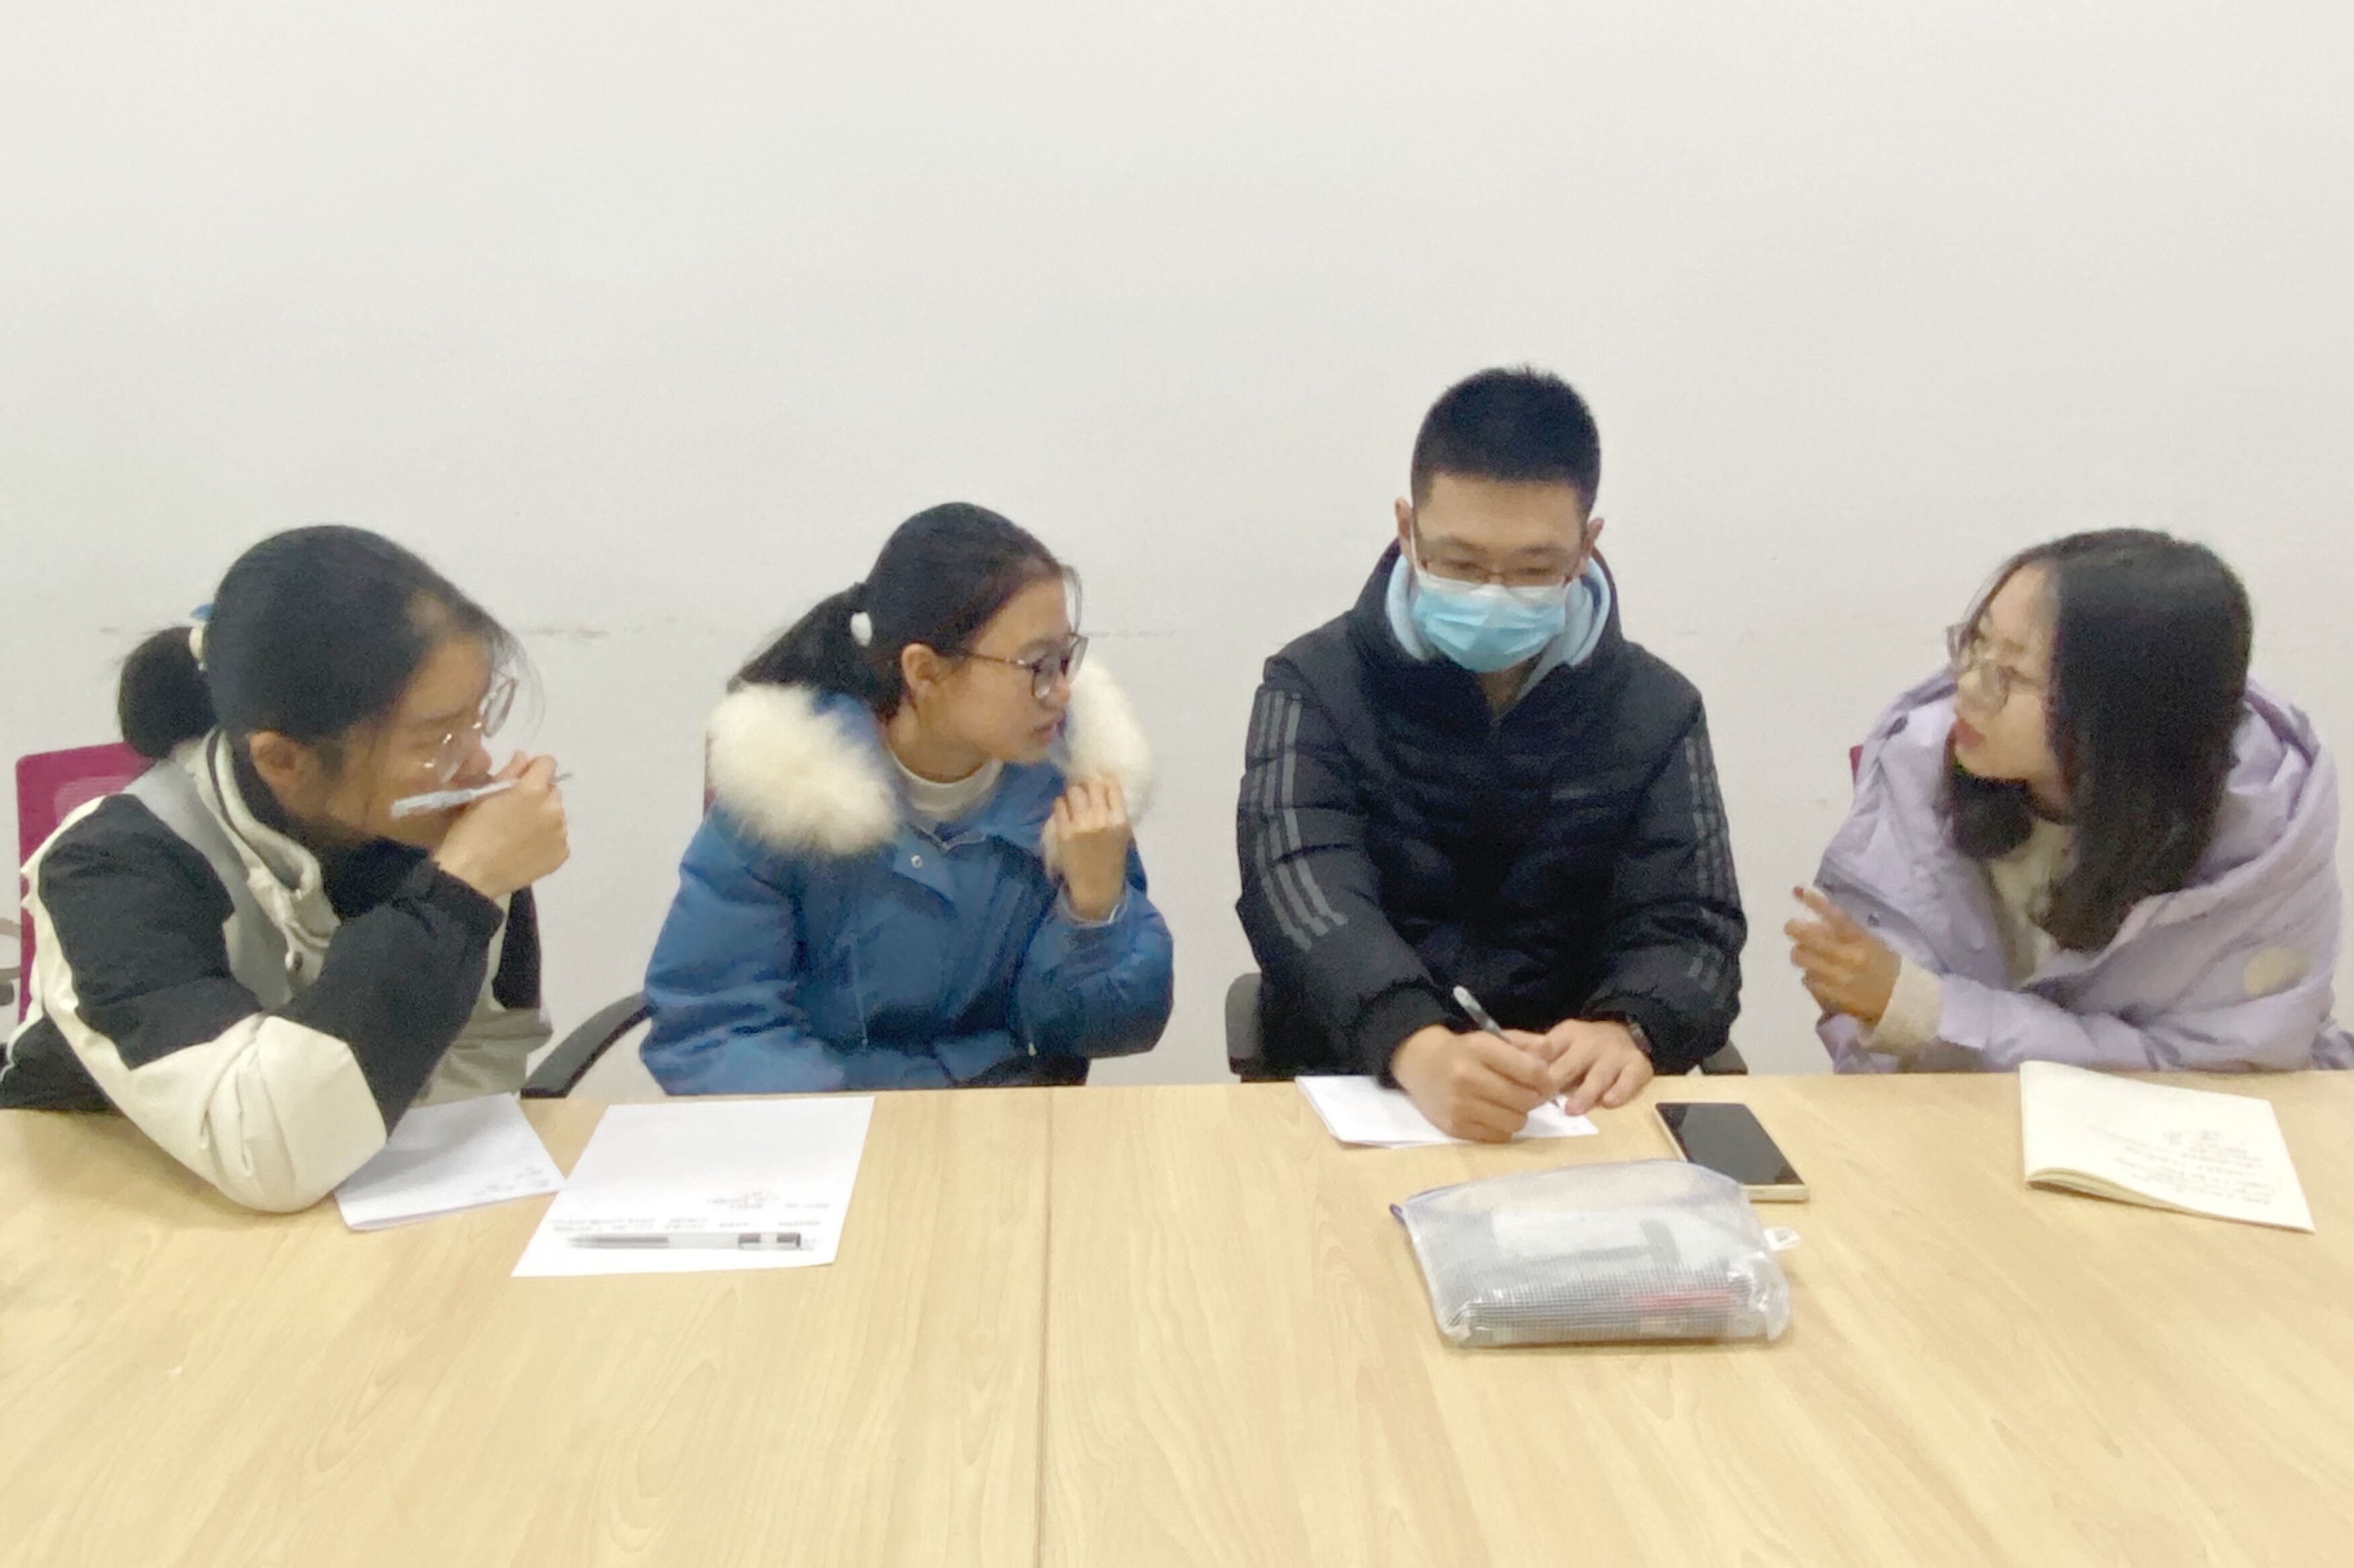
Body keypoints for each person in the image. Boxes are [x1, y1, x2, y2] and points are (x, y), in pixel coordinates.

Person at [1235, 367, 1746, 1140]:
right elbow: (1298, 889)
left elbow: (1693, 927)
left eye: (1533, 569)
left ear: (1586, 546)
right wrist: (1413, 1041)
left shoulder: (1656, 709)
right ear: (1407, 528)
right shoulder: (1312, 684)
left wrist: (1630, 1027)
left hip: (1572, 1111)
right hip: (1361, 1090)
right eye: (1461, 564)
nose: (1493, 594)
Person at [2, 526, 568, 1210]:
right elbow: (261, 1150)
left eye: (480, 716)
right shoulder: (108, 870)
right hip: (108, 1207)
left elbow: (485, 1050)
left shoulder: (433, 834)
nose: (477, 762)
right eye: (436, 738)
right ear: (282, 759)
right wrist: (456, 893)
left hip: (332, 1219)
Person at [640, 502, 1172, 1092]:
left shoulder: (1069, 782)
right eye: (1037, 665)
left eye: (1066, 658)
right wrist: (849, 1124)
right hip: (827, 1118)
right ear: (923, 671)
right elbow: (714, 1024)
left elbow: (1104, 1031)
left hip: (1000, 1115)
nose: (1063, 691)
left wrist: (1095, 911)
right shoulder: (787, 788)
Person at [1791, 528, 2353, 1072]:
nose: (1966, 687)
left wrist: (1931, 1012)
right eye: (1976, 642)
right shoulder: (1921, 763)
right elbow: (1874, 1035)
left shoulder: (2265, 835)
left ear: (2125, 713)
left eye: (2011, 674)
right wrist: (1897, 1008)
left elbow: (2216, 1069)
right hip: (1958, 1123)